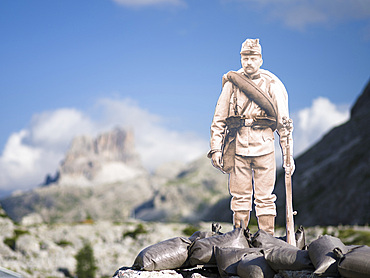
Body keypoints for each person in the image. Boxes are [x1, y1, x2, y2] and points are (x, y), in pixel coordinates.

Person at [208, 38, 294, 235]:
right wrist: (215, 148)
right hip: (238, 147)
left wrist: (288, 155)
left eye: (252, 57)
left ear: (260, 59)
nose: (248, 62)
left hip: (264, 146)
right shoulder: (232, 83)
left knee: (265, 198)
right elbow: (219, 118)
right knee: (239, 198)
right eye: (245, 57)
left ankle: (267, 239)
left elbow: (283, 124)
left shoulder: (272, 84)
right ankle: (240, 238)